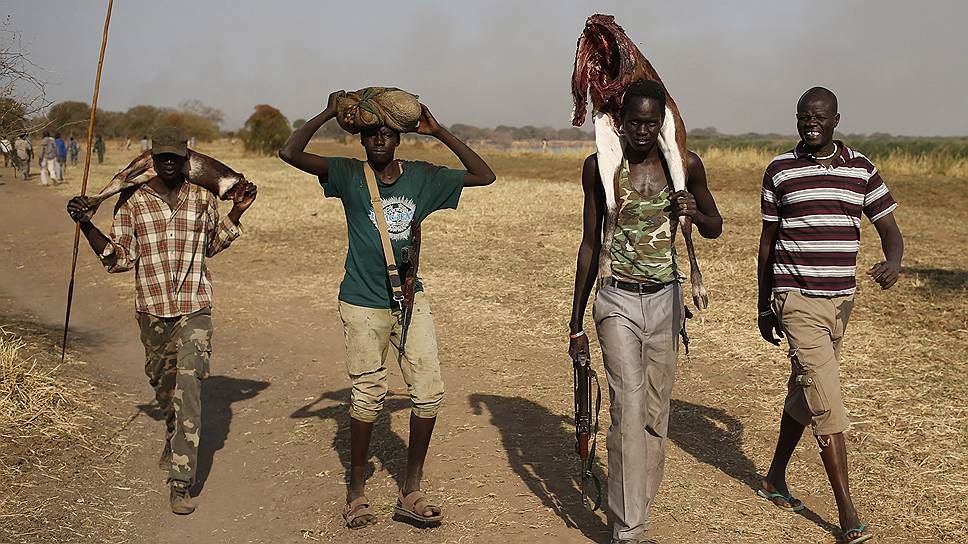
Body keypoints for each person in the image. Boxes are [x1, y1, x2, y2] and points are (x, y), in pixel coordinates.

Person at [279, 90, 495, 529]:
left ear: (399, 138)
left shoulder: (422, 177)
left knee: (429, 392)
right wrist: (328, 111)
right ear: (360, 138)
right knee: (368, 397)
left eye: (388, 133)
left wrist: (437, 132)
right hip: (361, 302)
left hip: (410, 300)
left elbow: (484, 174)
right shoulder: (345, 174)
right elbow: (290, 152)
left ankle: (410, 489)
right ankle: (356, 493)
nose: (379, 139)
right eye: (371, 133)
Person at [66, 126, 257, 515]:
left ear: (187, 159)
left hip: (194, 307)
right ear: (151, 158)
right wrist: (86, 224)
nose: (169, 163)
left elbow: (210, 246)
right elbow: (119, 259)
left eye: (176, 157)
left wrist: (236, 211)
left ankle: (181, 481)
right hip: (151, 309)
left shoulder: (202, 196)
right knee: (164, 384)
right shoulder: (132, 201)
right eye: (162, 157)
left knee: (190, 387)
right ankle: (173, 434)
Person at [568, 80, 722, 544]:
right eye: (633, 121)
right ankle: (628, 530)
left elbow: (715, 226)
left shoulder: (684, 165)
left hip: (666, 301)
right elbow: (590, 244)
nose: (641, 130)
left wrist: (692, 210)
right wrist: (575, 322)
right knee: (627, 408)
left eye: (650, 123)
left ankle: (638, 509)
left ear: (662, 123)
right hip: (616, 298)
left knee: (656, 413)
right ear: (620, 121)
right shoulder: (600, 167)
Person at [756, 87, 903, 544]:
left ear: (836, 119)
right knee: (827, 401)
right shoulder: (780, 169)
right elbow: (767, 243)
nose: (810, 123)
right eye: (803, 116)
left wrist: (893, 262)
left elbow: (889, 230)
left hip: (840, 302)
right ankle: (847, 514)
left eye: (818, 116)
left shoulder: (861, 169)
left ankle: (775, 476)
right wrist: (764, 303)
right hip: (795, 298)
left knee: (805, 393)